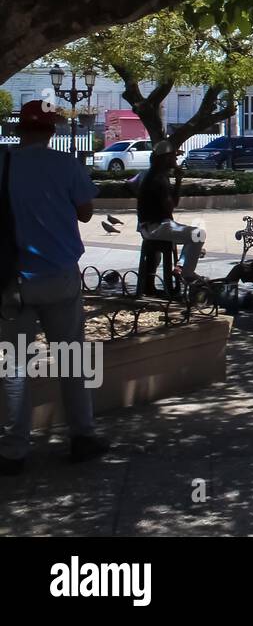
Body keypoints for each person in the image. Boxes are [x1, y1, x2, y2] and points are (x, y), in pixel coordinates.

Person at [0, 101, 109, 473]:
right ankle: (82, 436)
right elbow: (86, 211)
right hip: (60, 275)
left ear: (19, 130)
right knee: (73, 359)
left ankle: (14, 450)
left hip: (12, 281)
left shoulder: (4, 166)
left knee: (14, 366)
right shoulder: (66, 165)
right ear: (51, 131)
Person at [135, 140, 205, 288]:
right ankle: (186, 274)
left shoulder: (153, 174)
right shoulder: (159, 179)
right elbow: (171, 206)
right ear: (165, 158)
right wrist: (179, 181)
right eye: (174, 157)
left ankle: (181, 266)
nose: (176, 160)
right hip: (155, 227)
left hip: (150, 225)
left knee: (197, 226)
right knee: (198, 234)